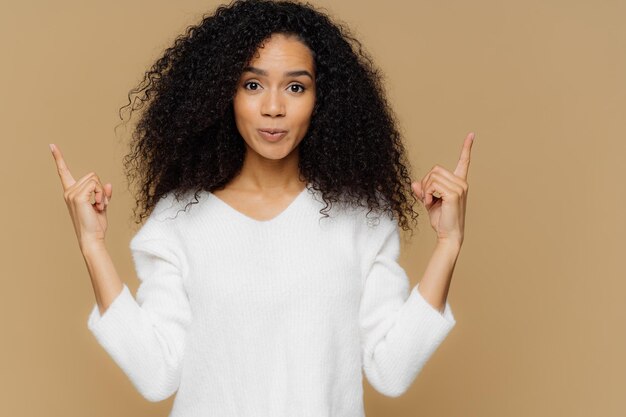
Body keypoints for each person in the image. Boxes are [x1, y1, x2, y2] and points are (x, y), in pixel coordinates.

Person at [50, 0, 475, 415]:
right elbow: (156, 375)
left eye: (296, 86)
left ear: (321, 99)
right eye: (252, 85)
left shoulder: (360, 218)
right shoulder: (178, 220)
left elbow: (392, 371)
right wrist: (93, 245)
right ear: (223, 94)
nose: (273, 107)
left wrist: (448, 243)